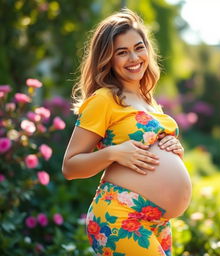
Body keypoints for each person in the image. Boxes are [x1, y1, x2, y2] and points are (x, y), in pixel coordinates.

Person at [62, 8, 192, 256]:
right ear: (107, 59)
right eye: (122, 52)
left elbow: (150, 152)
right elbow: (70, 167)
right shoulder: (104, 99)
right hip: (119, 216)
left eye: (138, 47)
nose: (134, 57)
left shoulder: (148, 100)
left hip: (157, 220)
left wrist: (175, 150)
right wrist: (114, 153)